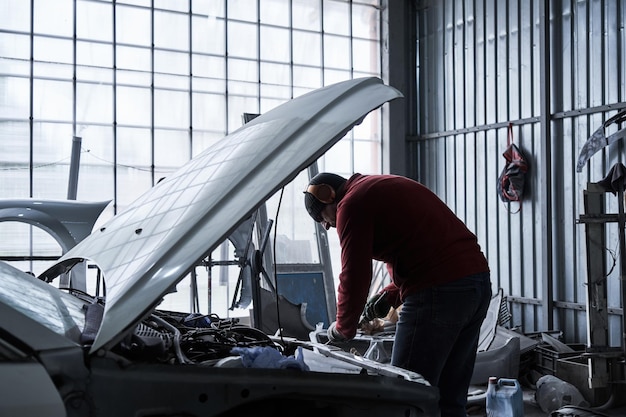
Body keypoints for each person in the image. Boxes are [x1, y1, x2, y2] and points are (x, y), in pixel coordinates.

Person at [304, 172, 492, 417]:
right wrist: (391, 295)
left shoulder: (351, 204)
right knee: (450, 397)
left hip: (440, 291)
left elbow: (354, 274)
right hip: (475, 284)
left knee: (404, 395)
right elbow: (421, 246)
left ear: (327, 195)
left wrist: (342, 328)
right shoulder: (376, 187)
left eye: (322, 218)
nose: (327, 225)